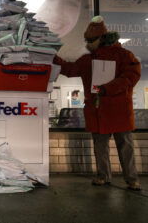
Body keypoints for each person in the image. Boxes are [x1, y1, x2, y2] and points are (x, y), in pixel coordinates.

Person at [53, 16, 141, 191]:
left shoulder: (124, 55)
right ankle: (106, 176)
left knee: (123, 146)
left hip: (114, 110)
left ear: (102, 38)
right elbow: (70, 70)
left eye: (91, 40)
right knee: (105, 146)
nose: (88, 43)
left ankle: (131, 179)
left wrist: (107, 88)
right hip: (102, 110)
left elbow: (131, 76)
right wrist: (52, 57)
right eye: (87, 40)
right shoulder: (89, 59)